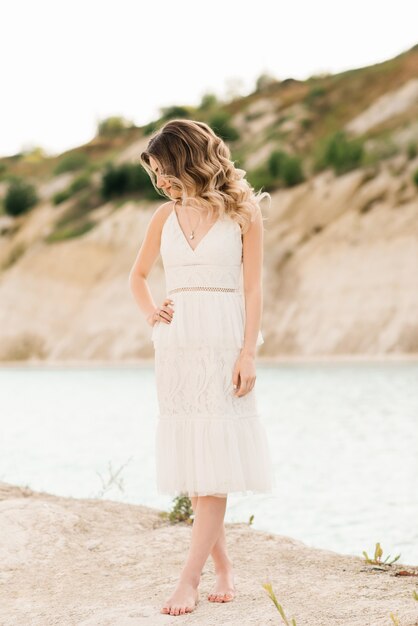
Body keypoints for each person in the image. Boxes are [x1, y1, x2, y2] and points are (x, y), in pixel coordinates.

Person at [129, 119, 274, 616]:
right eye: (155, 178)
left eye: (165, 173)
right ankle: (224, 567)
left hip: (223, 341)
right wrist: (153, 314)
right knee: (195, 462)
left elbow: (254, 289)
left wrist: (248, 351)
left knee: (214, 466)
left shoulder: (242, 212)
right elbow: (138, 277)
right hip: (177, 347)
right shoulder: (162, 218)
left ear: (189, 161)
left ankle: (187, 581)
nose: (162, 185)